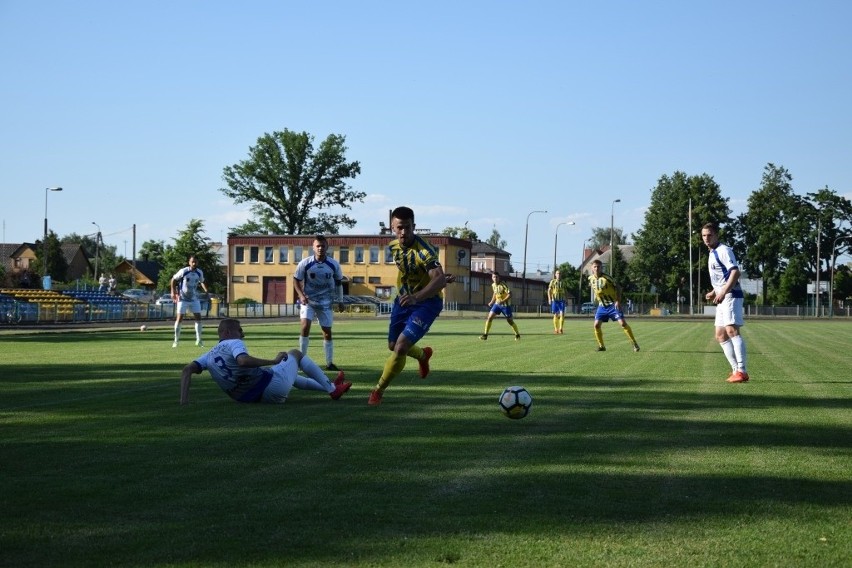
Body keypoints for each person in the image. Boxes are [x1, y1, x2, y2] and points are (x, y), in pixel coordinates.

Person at [368, 206, 455, 406]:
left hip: (427, 303)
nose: (404, 232)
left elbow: (438, 278)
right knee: (393, 346)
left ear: (414, 226)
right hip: (404, 300)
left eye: (408, 227)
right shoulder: (393, 247)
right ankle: (423, 355)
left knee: (400, 348)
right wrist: (412, 294)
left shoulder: (425, 251)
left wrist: (419, 295)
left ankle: (377, 390)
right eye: (399, 228)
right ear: (392, 228)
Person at [180, 318, 351, 405]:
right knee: (295, 354)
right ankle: (332, 390)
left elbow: (186, 370)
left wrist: (184, 402)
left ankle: (333, 387)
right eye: (240, 330)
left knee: (292, 377)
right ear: (227, 332)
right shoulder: (234, 342)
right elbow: (243, 361)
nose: (242, 334)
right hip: (270, 388)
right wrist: (273, 360)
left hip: (249, 398)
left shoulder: (208, 355)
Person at [701, 222, 749, 383]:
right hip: (723, 296)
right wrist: (714, 291)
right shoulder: (712, 252)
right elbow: (724, 277)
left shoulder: (724, 250)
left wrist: (723, 291)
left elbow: (735, 272)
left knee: (732, 331)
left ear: (716, 235)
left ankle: (742, 370)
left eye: (709, 235)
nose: (706, 238)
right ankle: (736, 370)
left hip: (731, 295)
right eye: (704, 235)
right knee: (720, 335)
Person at [293, 235, 345, 371]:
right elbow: (296, 280)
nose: (320, 248)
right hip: (308, 301)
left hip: (326, 303)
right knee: (305, 327)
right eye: (318, 246)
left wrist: (340, 301)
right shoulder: (305, 263)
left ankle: (329, 363)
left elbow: (339, 282)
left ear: (327, 247)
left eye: (323, 245)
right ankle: (301, 361)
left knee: (327, 332)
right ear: (313, 247)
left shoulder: (334, 264)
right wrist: (301, 295)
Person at [588, 259, 640, 352]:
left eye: (598, 266)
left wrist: (618, 301)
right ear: (592, 268)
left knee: (623, 323)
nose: (596, 268)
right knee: (596, 325)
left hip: (612, 305)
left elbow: (619, 287)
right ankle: (601, 346)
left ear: (601, 268)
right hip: (602, 306)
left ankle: (634, 343)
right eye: (595, 266)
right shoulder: (590, 279)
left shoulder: (607, 278)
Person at [170, 255, 209, 348]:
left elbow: (202, 281)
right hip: (182, 299)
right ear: (189, 262)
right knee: (179, 319)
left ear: (197, 263)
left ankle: (199, 340)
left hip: (194, 298)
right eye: (192, 262)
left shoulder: (199, 272)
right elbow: (173, 280)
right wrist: (173, 292)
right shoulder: (184, 271)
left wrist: (206, 290)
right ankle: (176, 341)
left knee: (198, 318)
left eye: (195, 262)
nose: (194, 263)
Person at [480, 272, 521, 341]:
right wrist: (491, 302)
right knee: (489, 317)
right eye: (494, 277)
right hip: (497, 305)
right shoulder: (493, 285)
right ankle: (485, 335)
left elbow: (510, 294)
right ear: (492, 278)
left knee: (510, 321)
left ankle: (517, 334)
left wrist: (503, 301)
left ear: (499, 278)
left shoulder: (503, 285)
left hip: (505, 306)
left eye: (496, 277)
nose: (495, 278)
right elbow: (495, 294)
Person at [547, 269, 569, 334]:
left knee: (562, 314)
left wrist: (566, 299)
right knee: (555, 314)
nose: (558, 275)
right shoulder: (552, 282)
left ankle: (561, 328)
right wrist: (549, 299)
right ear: (555, 275)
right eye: (557, 273)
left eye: (560, 273)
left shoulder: (563, 282)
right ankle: (556, 329)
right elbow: (549, 290)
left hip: (562, 300)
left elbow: (566, 292)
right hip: (555, 300)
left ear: (561, 275)